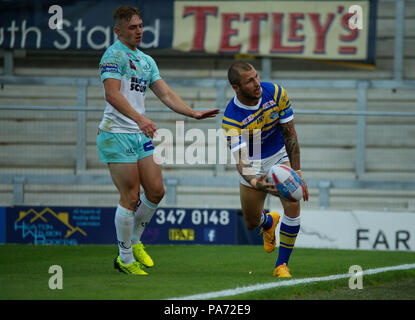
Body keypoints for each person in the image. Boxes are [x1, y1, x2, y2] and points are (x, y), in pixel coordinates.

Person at [97, 5, 219, 275]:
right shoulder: (112, 56)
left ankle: (135, 241)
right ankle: (125, 259)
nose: (139, 31)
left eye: (140, 25)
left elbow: (165, 94)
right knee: (130, 196)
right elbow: (112, 95)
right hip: (116, 134)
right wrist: (140, 119)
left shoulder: (145, 60)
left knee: (156, 191)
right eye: (132, 27)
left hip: (139, 134)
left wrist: (192, 113)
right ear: (118, 31)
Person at [222, 61, 309, 278]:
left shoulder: (276, 93)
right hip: (252, 163)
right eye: (249, 81)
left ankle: (282, 265)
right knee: (251, 223)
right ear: (236, 87)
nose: (257, 83)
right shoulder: (231, 118)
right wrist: (254, 181)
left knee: (293, 202)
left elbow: (290, 134)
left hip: (278, 154)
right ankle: (268, 221)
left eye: (257, 77)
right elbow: (241, 161)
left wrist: (297, 174)